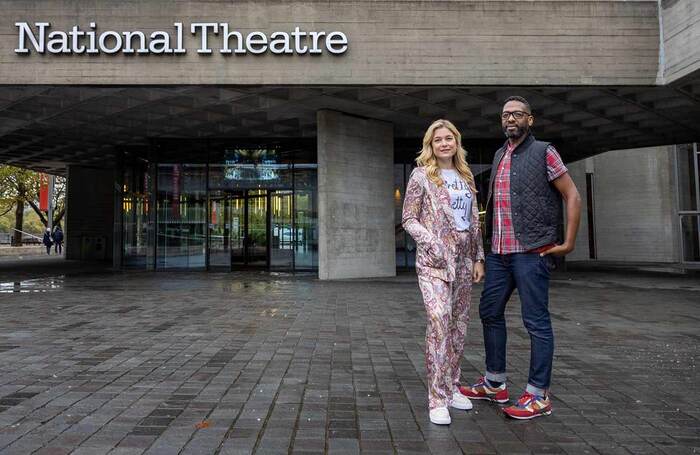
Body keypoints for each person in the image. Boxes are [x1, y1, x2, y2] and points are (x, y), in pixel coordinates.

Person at [459, 96, 582, 420]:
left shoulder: (545, 152)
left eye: (517, 114)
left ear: (531, 119)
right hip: (500, 254)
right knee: (489, 311)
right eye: (505, 115)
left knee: (536, 322)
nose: (510, 119)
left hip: (531, 252)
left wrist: (568, 242)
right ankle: (495, 382)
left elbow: (571, 194)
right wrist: (483, 253)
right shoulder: (500, 154)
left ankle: (538, 395)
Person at [402, 119, 485, 425]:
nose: (444, 143)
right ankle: (437, 397)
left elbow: (474, 220)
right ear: (431, 145)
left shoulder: (465, 176)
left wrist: (478, 257)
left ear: (456, 142)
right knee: (440, 320)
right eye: (438, 140)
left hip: (464, 261)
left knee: (459, 325)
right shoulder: (421, 176)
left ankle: (452, 387)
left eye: (449, 138)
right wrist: (433, 243)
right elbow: (409, 218)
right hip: (434, 263)